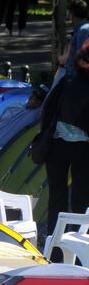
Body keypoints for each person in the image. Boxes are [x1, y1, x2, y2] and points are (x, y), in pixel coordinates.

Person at [43, 39, 89, 233]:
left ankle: (54, 246)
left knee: (57, 198)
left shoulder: (67, 79)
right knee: (81, 200)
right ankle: (79, 250)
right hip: (83, 149)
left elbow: (48, 105)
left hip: (57, 145)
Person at [59, 0, 89, 80]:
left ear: (73, 13)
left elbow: (81, 57)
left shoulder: (83, 30)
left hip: (75, 79)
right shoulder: (80, 29)